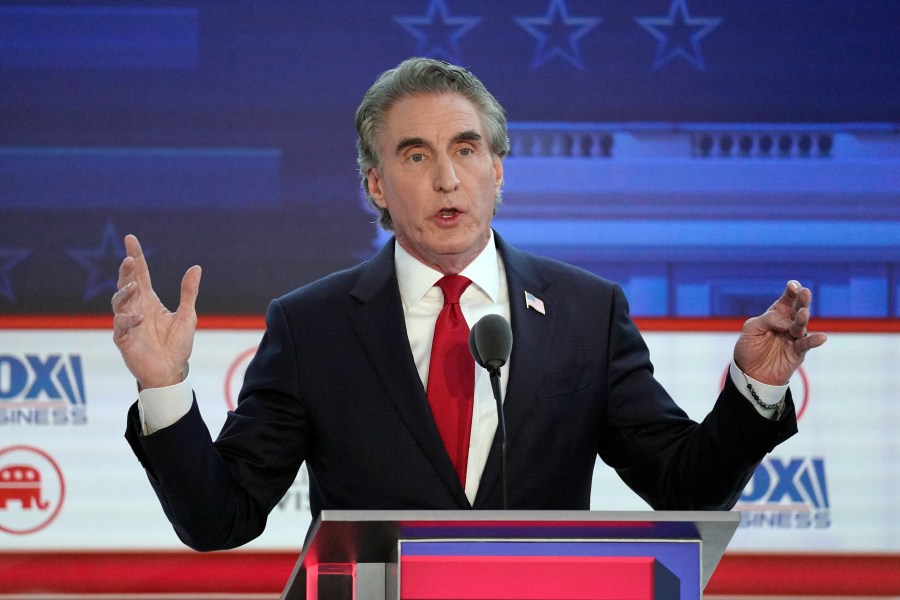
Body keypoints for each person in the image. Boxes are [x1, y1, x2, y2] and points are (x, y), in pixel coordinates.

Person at [112, 57, 826, 552]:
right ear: (377, 187)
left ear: (498, 170)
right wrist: (164, 387)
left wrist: (756, 388)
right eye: (416, 156)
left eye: (466, 148)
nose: (448, 177)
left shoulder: (587, 312)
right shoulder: (312, 326)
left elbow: (685, 491)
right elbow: (219, 519)